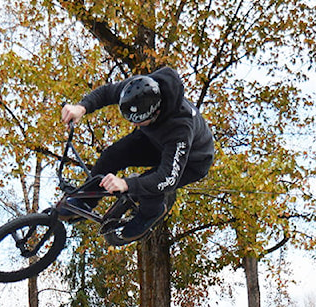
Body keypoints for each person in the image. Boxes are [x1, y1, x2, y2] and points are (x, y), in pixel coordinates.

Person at [60, 66, 214, 245]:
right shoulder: (139, 88)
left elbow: (168, 178)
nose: (135, 124)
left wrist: (127, 184)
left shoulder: (181, 127)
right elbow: (107, 92)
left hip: (193, 160)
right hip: (154, 139)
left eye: (139, 121)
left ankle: (151, 213)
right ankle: (86, 200)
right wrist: (81, 107)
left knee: (152, 185)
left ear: (155, 112)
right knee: (112, 155)